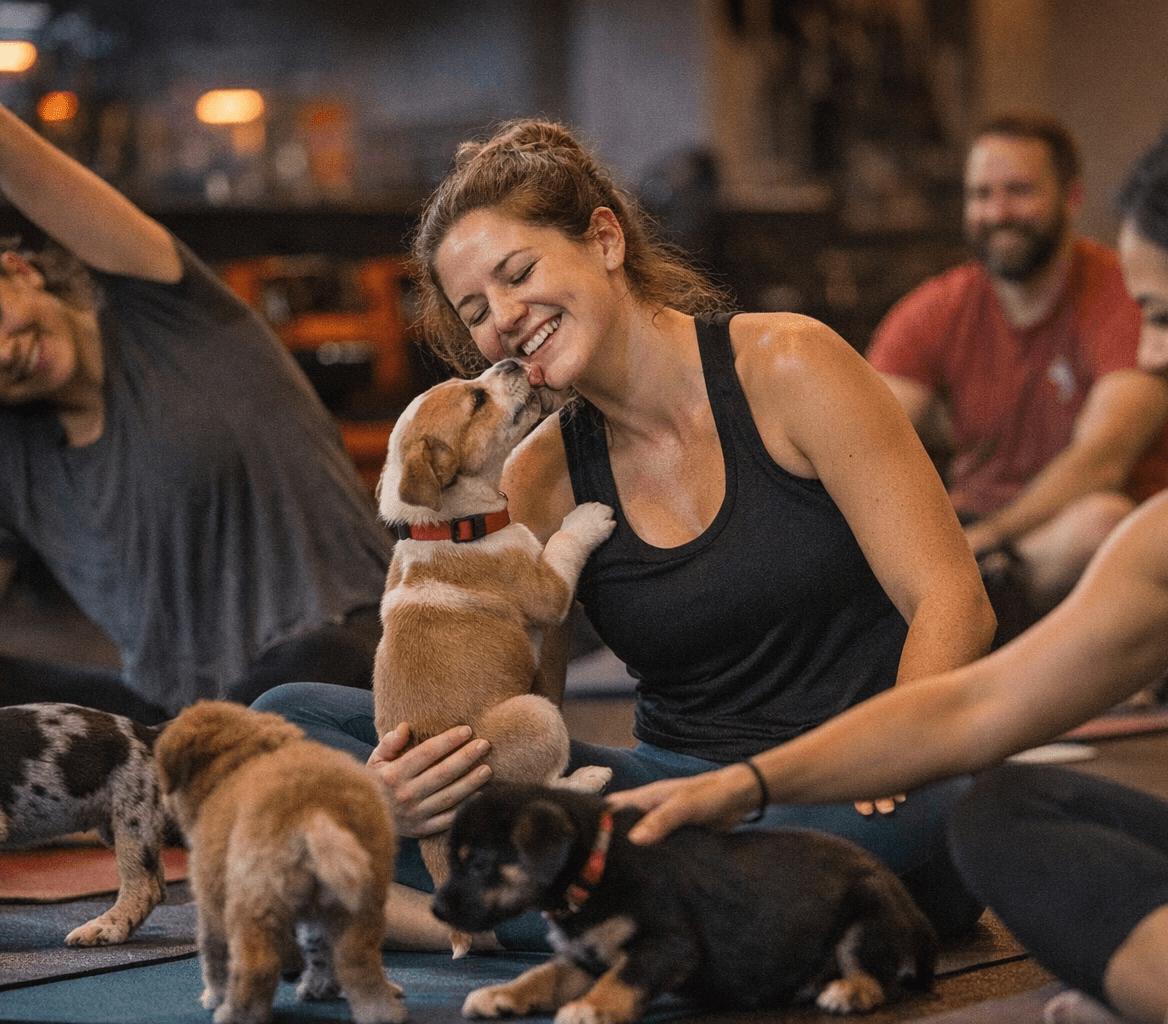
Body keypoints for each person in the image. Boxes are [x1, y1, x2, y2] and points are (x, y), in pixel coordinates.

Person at [613, 81, 1168, 1024]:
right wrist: (743, 786)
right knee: (1007, 813)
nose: (1151, 354)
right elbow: (978, 707)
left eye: (1166, 313)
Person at [253, 117, 996, 951]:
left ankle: (441, 921)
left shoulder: (791, 366)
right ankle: (653, 916)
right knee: (284, 720)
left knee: (947, 810)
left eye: (518, 272)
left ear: (604, 237)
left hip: (853, 792)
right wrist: (391, 791)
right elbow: (526, 719)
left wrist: (892, 751)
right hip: (666, 802)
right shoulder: (537, 476)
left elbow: (952, 600)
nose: (503, 317)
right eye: (475, 311)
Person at [0, 68, 392, 729]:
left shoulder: (164, 306)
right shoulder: (1, 449)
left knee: (302, 671)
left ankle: (172, 773)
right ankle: (174, 773)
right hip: (175, 716)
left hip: (348, 660)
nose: (2, 352)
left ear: (21, 271)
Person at [865, 111, 1168, 642]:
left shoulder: (1122, 297)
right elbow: (861, 436)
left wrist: (983, 544)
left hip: (1070, 546)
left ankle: (971, 635)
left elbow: (1100, 463)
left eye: (1019, 191)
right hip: (974, 543)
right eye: (981, 194)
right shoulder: (939, 306)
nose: (998, 212)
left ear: (1071, 198)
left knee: (1097, 522)